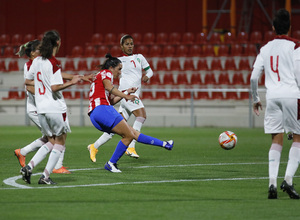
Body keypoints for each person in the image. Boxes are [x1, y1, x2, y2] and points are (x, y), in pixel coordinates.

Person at [88, 53, 173, 173]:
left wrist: (125, 91)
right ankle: (111, 163)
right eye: (119, 69)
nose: (120, 72)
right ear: (111, 68)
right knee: (129, 136)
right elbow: (109, 88)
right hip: (103, 110)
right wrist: (126, 95)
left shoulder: (100, 77)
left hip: (96, 114)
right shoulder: (106, 73)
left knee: (132, 133)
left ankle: (165, 144)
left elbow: (111, 101)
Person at [250, 9, 300, 199]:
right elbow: (298, 73)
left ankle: (271, 183)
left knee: (276, 140)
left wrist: (256, 99)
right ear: (290, 27)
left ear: (273, 27)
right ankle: (287, 180)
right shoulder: (296, 46)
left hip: (272, 97)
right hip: (292, 95)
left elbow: (254, 77)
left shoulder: (265, 48)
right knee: (298, 138)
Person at [21, 30, 81, 184]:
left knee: (51, 141)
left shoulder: (36, 61)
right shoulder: (54, 62)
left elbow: (27, 83)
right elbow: (55, 87)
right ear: (58, 43)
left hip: (41, 109)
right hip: (55, 107)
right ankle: (45, 176)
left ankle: (29, 167)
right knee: (60, 142)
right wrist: (72, 82)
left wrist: (42, 88)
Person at [87, 34, 154, 161]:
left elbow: (150, 71)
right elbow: (108, 70)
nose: (130, 46)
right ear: (121, 46)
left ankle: (94, 146)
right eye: (127, 44)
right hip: (128, 95)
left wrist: (147, 76)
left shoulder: (139, 57)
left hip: (129, 95)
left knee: (116, 127)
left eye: (131, 44)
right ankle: (131, 146)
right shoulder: (118, 61)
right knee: (141, 116)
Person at [13, 40, 70, 174]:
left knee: (51, 138)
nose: (43, 50)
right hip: (38, 108)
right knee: (57, 138)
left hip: (41, 107)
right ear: (33, 53)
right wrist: (48, 95)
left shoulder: (39, 63)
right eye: (39, 48)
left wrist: (73, 77)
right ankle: (56, 166)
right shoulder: (32, 65)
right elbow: (29, 87)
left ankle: (23, 152)